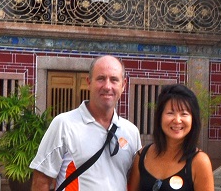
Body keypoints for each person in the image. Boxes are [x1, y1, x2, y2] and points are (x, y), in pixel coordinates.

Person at [30, 56, 141, 191]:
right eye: (101, 78)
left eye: (114, 80)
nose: (107, 86)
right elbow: (41, 181)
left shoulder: (131, 132)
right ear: (88, 82)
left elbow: (134, 181)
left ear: (123, 85)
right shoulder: (64, 125)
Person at [128, 84, 214, 191]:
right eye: (170, 113)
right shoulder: (142, 156)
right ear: (160, 117)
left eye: (184, 114)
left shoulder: (200, 162)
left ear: (193, 119)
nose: (177, 120)